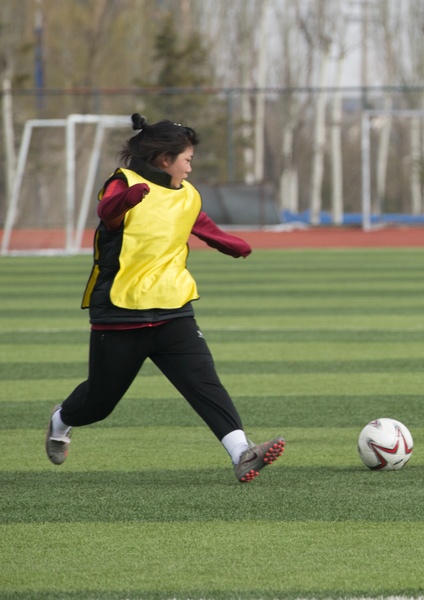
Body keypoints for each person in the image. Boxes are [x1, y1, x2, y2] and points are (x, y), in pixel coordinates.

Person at [44, 113, 285, 483]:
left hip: (174, 311)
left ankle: (242, 453)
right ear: (164, 159)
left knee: (205, 384)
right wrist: (125, 200)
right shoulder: (123, 183)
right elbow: (107, 213)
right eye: (187, 159)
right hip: (121, 312)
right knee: (98, 402)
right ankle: (61, 420)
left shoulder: (187, 194)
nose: (190, 167)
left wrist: (230, 244)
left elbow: (199, 224)